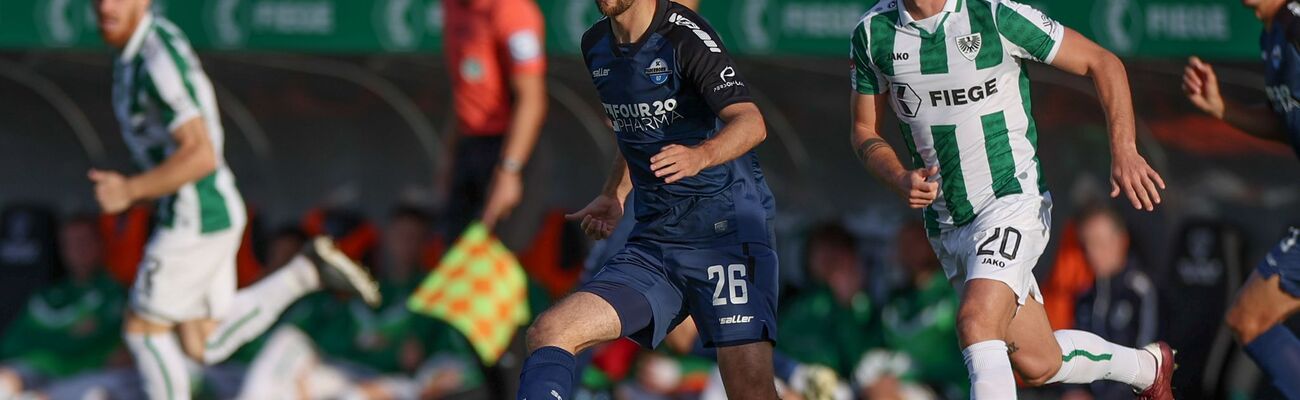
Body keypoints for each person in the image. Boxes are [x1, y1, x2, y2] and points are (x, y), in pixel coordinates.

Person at [846, 0, 1176, 398]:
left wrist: (1124, 149)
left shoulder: (993, 13)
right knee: (1039, 364)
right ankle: (1147, 368)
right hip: (949, 223)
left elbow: (1102, 62)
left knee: (976, 322)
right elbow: (864, 129)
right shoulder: (872, 32)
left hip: (1012, 199)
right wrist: (898, 175)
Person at [90, 1, 380, 398]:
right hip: (205, 207)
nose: (106, 5)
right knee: (202, 343)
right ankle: (304, 274)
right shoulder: (136, 54)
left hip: (194, 212)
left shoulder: (157, 58)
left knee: (142, 329)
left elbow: (200, 153)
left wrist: (129, 190)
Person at [517, 0, 779, 398]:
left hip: (724, 237)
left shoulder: (684, 35)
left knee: (749, 390)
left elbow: (752, 122)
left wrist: (700, 155)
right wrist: (614, 194)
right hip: (655, 243)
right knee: (549, 332)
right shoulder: (596, 45)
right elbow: (634, 130)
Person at [1182, 0, 1300, 397]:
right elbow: (1284, 120)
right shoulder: (1272, 33)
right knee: (1250, 318)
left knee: (1250, 317)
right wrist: (1223, 108)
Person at [442, 0, 548, 235]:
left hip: (507, 148)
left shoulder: (512, 11)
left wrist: (509, 170)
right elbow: (462, 91)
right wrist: (449, 157)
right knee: (456, 247)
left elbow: (531, 99)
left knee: (499, 251)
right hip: (469, 146)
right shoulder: (452, 6)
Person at [0, 216, 131, 399]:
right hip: (38, 370)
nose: (77, 250)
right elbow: (13, 343)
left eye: (84, 241)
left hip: (86, 377)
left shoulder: (119, 293)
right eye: (69, 243)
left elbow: (117, 355)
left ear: (100, 244)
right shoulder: (47, 295)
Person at [865, 221, 966, 399]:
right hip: (899, 385)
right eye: (902, 243)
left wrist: (908, 374)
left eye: (916, 240)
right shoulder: (894, 302)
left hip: (949, 387)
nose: (909, 249)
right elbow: (876, 348)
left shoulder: (956, 291)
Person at [1071, 204, 1159, 400]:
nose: (1092, 253)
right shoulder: (1086, 296)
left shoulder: (1141, 292)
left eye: (1100, 243)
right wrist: (1072, 391)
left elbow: (1149, 362)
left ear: (1122, 241)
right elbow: (1073, 353)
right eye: (1086, 245)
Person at [779, 223, 881, 379]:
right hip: (785, 376)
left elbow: (862, 360)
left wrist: (845, 303)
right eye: (818, 250)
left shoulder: (861, 305)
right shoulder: (793, 300)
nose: (825, 257)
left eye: (834, 250)